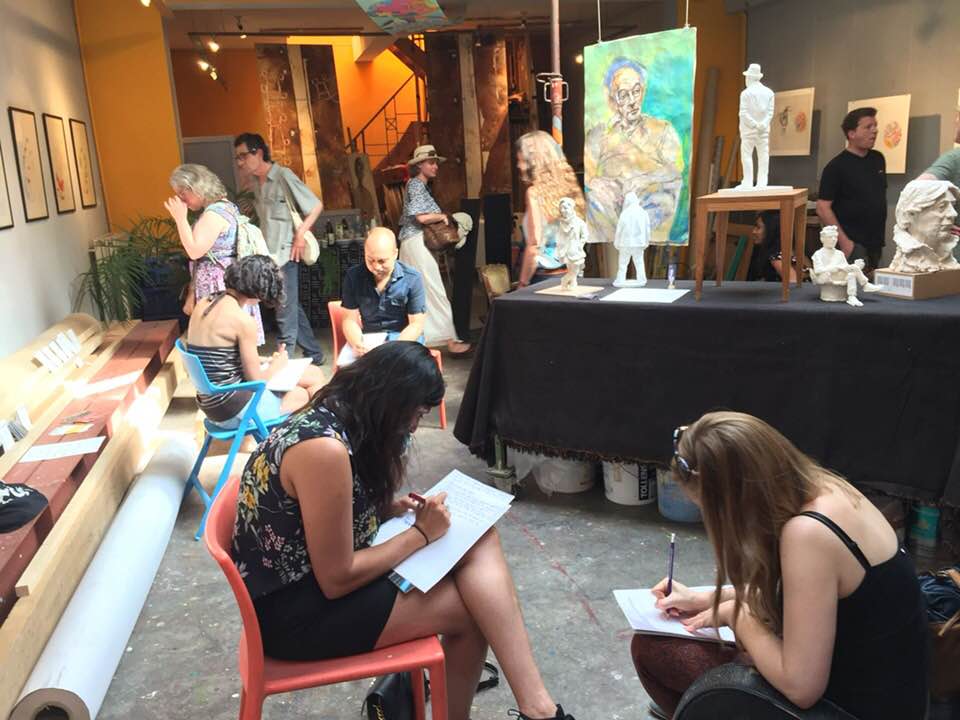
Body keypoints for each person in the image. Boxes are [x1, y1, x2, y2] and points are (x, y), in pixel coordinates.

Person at [231, 342, 575, 720]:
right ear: (390, 400)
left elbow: (310, 516)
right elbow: (336, 578)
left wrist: (386, 510)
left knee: (480, 538)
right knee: (472, 612)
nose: (413, 426)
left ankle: (538, 708)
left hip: (310, 582)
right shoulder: (324, 450)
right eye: (416, 413)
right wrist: (420, 535)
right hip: (296, 615)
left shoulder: (333, 415)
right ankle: (531, 712)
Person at [631, 412, 928, 720]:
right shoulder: (821, 487)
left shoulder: (808, 534)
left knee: (654, 651)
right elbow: (806, 596)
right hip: (889, 692)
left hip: (851, 709)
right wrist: (705, 598)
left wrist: (739, 616)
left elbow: (801, 688)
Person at [185, 255, 324, 427]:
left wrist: (265, 360)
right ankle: (315, 432)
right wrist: (277, 365)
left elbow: (218, 357)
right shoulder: (243, 321)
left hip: (211, 403)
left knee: (313, 373)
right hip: (232, 411)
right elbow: (255, 382)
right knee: (302, 395)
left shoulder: (204, 303)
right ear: (259, 290)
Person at [233, 132, 325, 366]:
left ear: (258, 153)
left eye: (243, 156)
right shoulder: (256, 184)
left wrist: (300, 234)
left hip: (287, 254)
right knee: (289, 306)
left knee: (284, 311)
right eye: (238, 158)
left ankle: (284, 363)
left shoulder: (283, 176)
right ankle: (315, 353)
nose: (240, 162)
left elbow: (315, 206)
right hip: (269, 256)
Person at [584, 57, 684, 246]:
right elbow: (588, 176)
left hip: (650, 203)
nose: (632, 101)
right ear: (613, 100)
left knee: (657, 204)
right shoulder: (599, 134)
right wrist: (599, 183)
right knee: (595, 199)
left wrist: (641, 180)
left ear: (643, 92)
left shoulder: (663, 130)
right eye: (623, 95)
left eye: (636, 91)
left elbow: (674, 170)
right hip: (613, 204)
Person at [165, 163, 264, 344]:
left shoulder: (213, 214)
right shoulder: (227, 207)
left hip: (217, 286)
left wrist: (180, 219)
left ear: (196, 187)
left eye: (182, 193)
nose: (180, 199)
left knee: (220, 341)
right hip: (228, 282)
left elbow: (194, 251)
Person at [397, 145, 471, 355]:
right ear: (420, 165)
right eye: (431, 162)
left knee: (421, 290)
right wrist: (442, 216)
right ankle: (449, 339)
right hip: (416, 242)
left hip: (414, 242)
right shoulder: (416, 185)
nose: (435, 166)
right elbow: (421, 217)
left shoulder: (419, 186)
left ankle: (426, 337)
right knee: (434, 289)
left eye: (435, 162)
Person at [816, 108, 887, 271]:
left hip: (875, 242)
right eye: (868, 127)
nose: (875, 131)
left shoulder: (878, 159)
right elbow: (822, 208)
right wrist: (845, 243)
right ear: (852, 134)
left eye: (875, 126)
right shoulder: (836, 167)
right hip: (851, 243)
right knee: (851, 285)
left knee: (870, 285)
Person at [515, 131, 586, 287]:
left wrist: (522, 283)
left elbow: (534, 244)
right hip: (571, 274)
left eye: (520, 160)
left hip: (544, 279)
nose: (518, 166)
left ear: (533, 161)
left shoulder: (534, 193)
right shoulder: (569, 189)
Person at [341, 227, 426, 356]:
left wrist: (395, 347)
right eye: (370, 260)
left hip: (404, 338)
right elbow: (349, 319)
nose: (376, 267)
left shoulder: (412, 279)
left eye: (382, 261)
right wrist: (357, 343)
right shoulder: (353, 277)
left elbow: (416, 324)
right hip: (370, 339)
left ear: (395, 254)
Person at [810, 225, 881, 307]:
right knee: (852, 269)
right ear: (822, 239)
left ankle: (852, 296)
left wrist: (857, 266)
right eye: (830, 237)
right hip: (826, 275)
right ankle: (865, 285)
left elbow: (846, 267)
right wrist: (832, 268)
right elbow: (818, 270)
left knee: (852, 272)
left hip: (839, 274)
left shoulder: (839, 253)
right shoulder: (818, 254)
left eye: (835, 237)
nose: (833, 239)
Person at [736, 63, 775, 190]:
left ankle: (748, 182)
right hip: (763, 130)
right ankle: (762, 182)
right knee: (763, 156)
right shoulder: (769, 93)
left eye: (747, 77)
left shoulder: (746, 93)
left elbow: (743, 113)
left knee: (747, 155)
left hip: (749, 131)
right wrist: (763, 124)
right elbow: (770, 112)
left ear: (750, 78)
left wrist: (755, 125)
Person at [746, 211, 798, 283]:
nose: (753, 231)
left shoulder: (776, 257)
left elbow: (793, 281)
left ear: (771, 231)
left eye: (758, 227)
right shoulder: (784, 250)